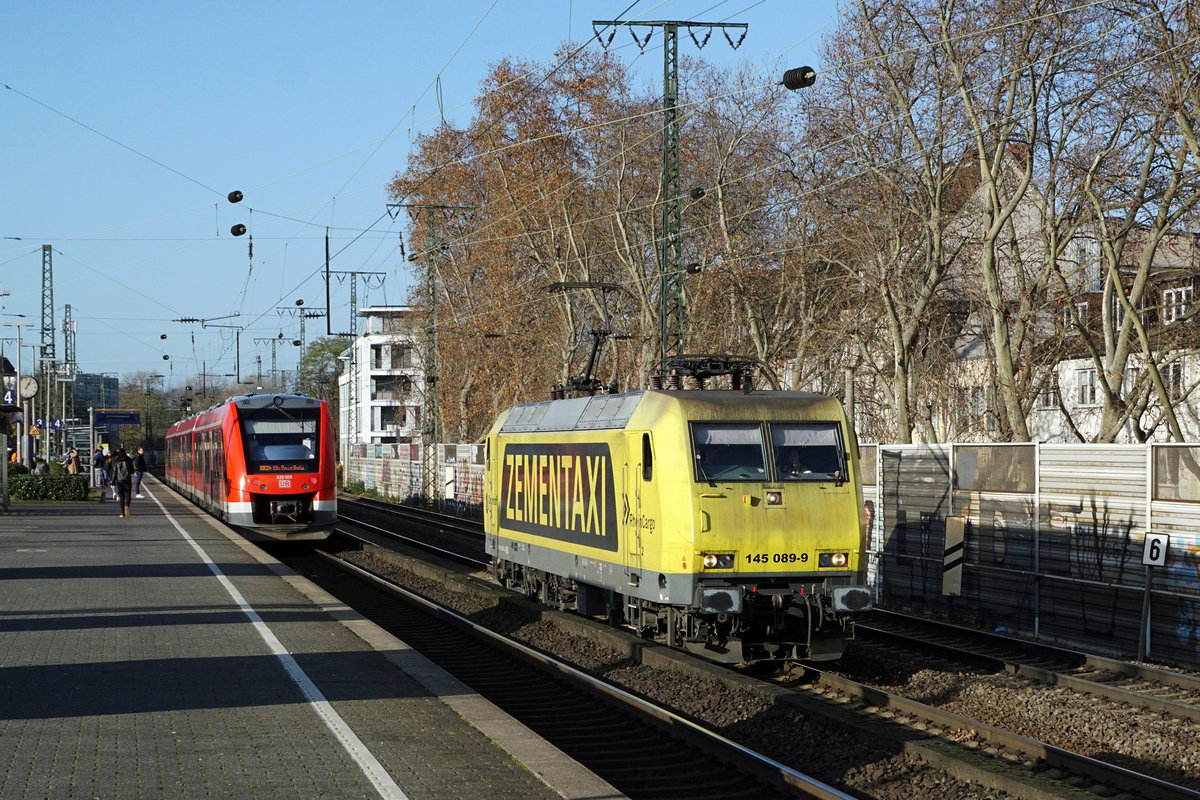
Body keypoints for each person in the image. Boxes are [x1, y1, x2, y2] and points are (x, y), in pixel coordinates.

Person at [111, 447, 134, 518]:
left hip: (119, 481)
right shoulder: (129, 460)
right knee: (128, 495)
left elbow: (114, 472)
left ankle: (122, 513)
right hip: (127, 480)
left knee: (121, 497)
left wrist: (112, 482)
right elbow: (132, 471)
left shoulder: (116, 460)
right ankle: (127, 506)